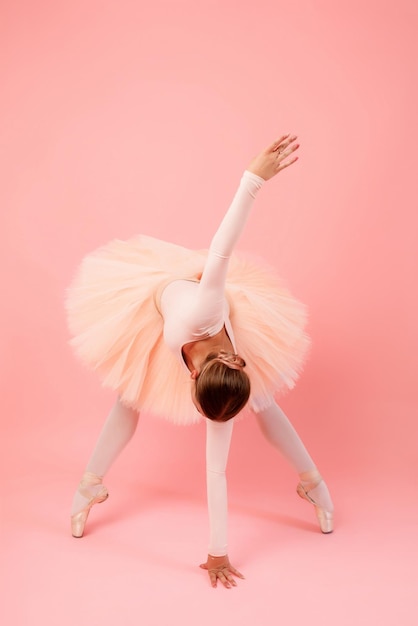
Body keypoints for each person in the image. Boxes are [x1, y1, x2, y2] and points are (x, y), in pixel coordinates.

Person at [66, 134, 334, 589]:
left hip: (198, 316)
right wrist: (253, 178)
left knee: (265, 401)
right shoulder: (201, 314)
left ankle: (313, 483)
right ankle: (89, 485)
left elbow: (216, 472)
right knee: (128, 398)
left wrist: (219, 552)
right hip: (161, 299)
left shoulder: (220, 353)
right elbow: (220, 249)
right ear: (193, 376)